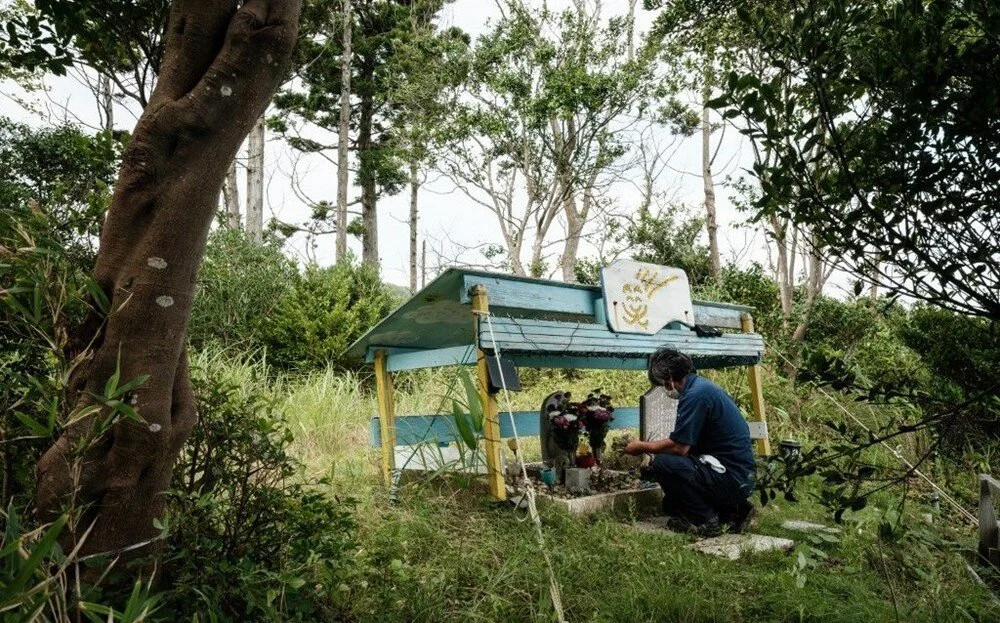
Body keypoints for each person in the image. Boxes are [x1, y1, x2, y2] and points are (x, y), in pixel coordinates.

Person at [625, 347, 756, 536]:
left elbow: (679, 447)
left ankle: (706, 521)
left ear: (669, 379)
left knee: (664, 463)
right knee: (672, 505)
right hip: (739, 475)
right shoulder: (703, 387)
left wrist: (642, 447)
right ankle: (733, 511)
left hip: (730, 476)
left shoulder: (695, 395)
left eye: (662, 384)